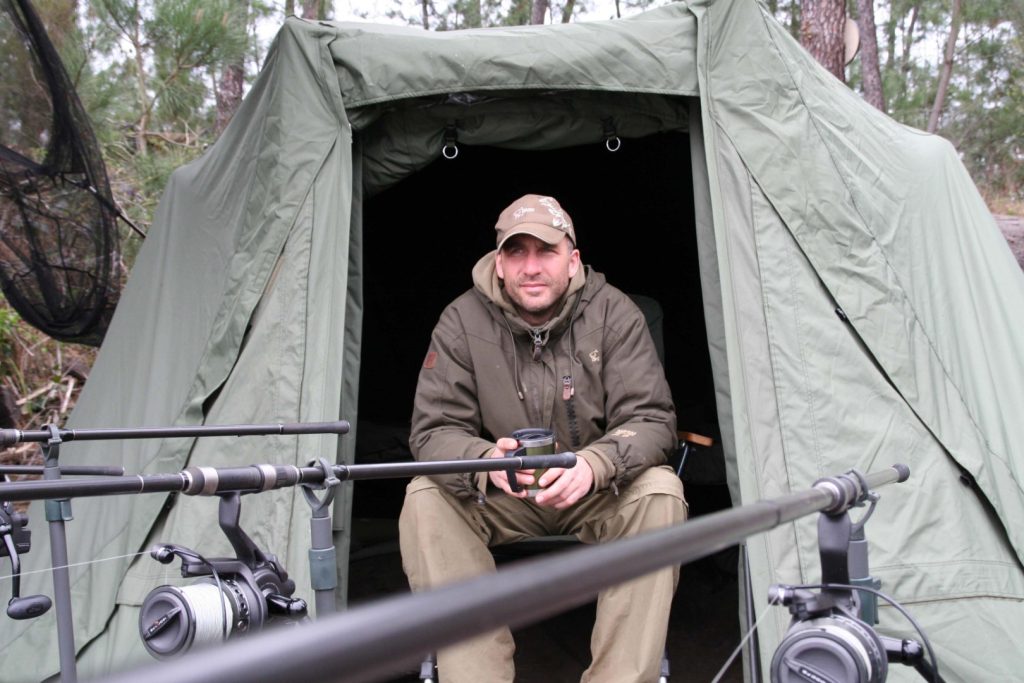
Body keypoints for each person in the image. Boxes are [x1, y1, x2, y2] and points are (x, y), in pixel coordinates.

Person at [399, 194, 686, 683]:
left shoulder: (614, 313)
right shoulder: (462, 321)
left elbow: (652, 418)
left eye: (546, 251)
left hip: (595, 491)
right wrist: (486, 461)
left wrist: (595, 465)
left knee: (660, 492)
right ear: (499, 263)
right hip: (505, 493)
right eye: (517, 252)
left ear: (573, 260)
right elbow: (433, 430)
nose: (531, 267)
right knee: (425, 497)